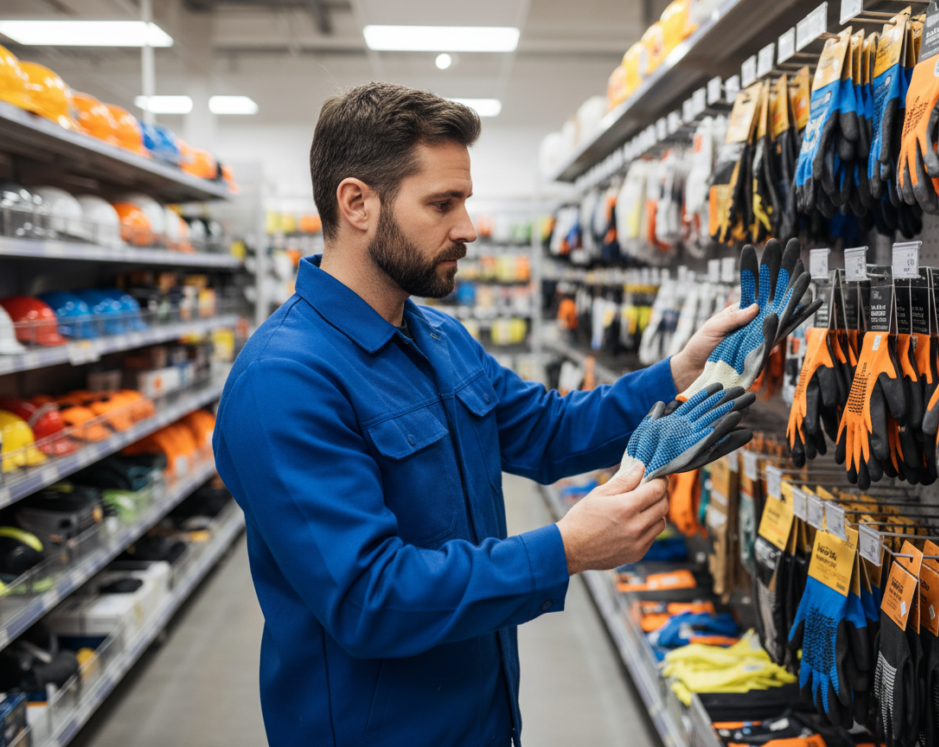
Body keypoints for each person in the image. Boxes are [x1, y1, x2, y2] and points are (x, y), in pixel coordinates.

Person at [213, 82, 759, 747]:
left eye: (464, 200)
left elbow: (551, 429)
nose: (468, 228)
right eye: (442, 203)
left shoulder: (439, 339)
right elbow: (368, 596)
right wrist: (562, 550)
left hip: (484, 718)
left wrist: (679, 371)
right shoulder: (285, 379)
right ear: (356, 202)